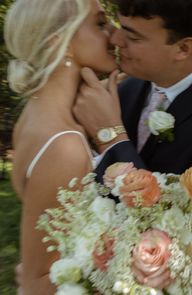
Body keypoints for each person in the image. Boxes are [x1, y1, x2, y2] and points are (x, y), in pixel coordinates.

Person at [73, 0, 192, 293]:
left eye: (133, 36)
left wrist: (112, 138)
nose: (115, 39)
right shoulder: (125, 89)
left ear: (184, 48)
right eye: (119, 27)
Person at [4, 0, 118, 294]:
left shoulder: (36, 112)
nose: (114, 33)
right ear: (61, 44)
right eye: (100, 23)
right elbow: (36, 281)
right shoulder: (63, 146)